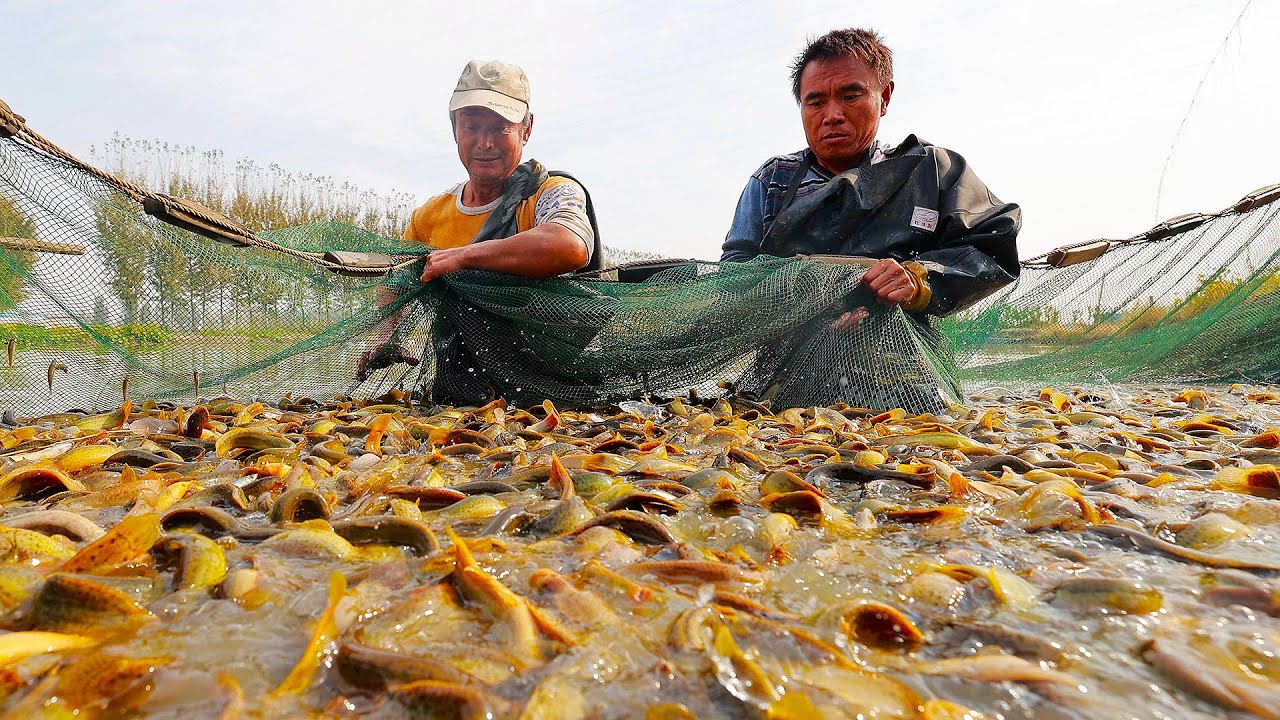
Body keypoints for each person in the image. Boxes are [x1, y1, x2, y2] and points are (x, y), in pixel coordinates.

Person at [720, 28, 1020, 319]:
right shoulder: (773, 178)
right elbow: (735, 274)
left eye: (850, 97)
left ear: (884, 97)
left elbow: (990, 248)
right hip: (790, 360)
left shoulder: (931, 170)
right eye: (816, 102)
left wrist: (917, 281)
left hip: (901, 364)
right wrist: (808, 320)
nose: (832, 115)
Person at [357, 59, 600, 381]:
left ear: (526, 130)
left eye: (501, 128)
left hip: (555, 376)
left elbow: (568, 245)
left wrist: (464, 256)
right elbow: (395, 284)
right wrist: (386, 335)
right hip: (460, 378)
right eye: (471, 127)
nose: (485, 143)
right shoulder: (429, 216)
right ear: (454, 129)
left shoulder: (552, 192)